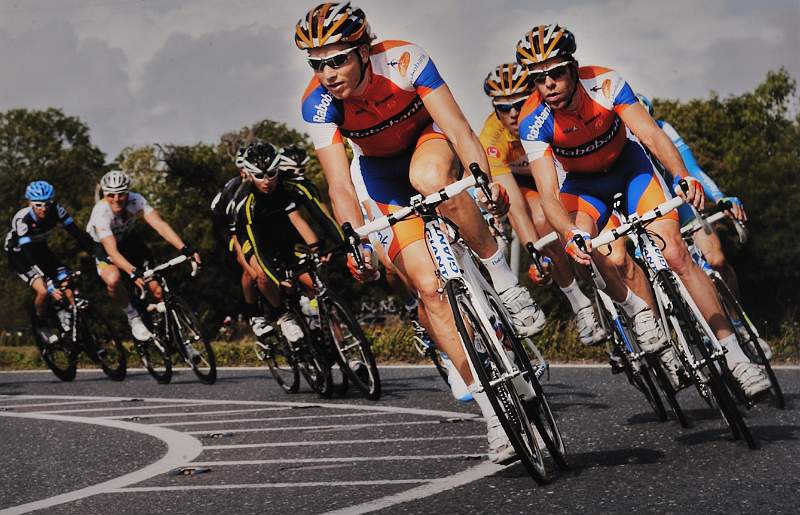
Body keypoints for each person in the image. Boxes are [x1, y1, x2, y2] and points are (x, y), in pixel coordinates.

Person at [295, 2, 546, 462]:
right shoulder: (319, 103)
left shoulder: (405, 60)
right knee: (430, 291)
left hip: (426, 143)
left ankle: (504, 280)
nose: (327, 73)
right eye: (316, 63)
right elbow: (337, 183)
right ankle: (493, 415)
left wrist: (483, 180)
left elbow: (457, 126)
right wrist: (354, 237)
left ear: (364, 51)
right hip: (377, 175)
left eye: (337, 59)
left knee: (431, 182)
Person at [515, 24, 770, 397]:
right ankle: (639, 312)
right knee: (592, 248)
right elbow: (549, 194)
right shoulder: (532, 120)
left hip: (630, 169)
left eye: (555, 72)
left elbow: (650, 135)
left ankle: (736, 358)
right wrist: (571, 235)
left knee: (676, 252)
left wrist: (683, 176)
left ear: (572, 67)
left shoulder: (604, 83)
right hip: (585, 188)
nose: (549, 83)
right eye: (538, 78)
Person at [480, 62, 605, 345]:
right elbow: (516, 209)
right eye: (503, 108)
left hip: (562, 173)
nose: (513, 113)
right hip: (527, 187)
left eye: (519, 103)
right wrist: (532, 250)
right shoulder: (492, 138)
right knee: (540, 223)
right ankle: (579, 305)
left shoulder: (546, 115)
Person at [234, 141, 343, 344]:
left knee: (320, 287)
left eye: (272, 173)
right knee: (261, 275)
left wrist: (333, 245)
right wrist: (276, 278)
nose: (266, 181)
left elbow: (320, 216)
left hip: (284, 236)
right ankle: (283, 315)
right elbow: (258, 247)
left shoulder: (292, 184)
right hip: (253, 239)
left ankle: (345, 351)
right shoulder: (245, 201)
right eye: (259, 176)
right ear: (249, 174)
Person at [87, 170, 201, 348]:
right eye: (111, 195)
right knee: (114, 279)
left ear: (128, 192)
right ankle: (133, 317)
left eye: (121, 194)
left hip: (131, 242)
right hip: (106, 248)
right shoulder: (101, 214)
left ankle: (181, 340)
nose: (116, 199)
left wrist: (184, 248)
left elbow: (160, 225)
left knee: (157, 290)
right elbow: (113, 252)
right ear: (104, 194)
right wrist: (132, 272)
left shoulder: (136, 200)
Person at [4, 181, 95, 341]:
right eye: (38, 205)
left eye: (47, 204)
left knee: (67, 282)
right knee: (44, 290)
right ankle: (41, 324)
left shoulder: (57, 210)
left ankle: (70, 321)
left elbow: (76, 233)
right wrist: (49, 281)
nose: (44, 209)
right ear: (30, 203)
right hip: (20, 253)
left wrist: (96, 255)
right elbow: (29, 253)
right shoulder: (23, 220)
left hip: (39, 248)